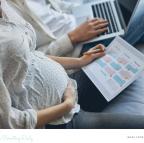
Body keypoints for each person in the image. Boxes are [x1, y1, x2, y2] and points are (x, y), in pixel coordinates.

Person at [1, 0, 144, 129]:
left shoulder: (5, 7)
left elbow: (30, 56)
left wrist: (79, 62)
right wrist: (67, 105)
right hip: (61, 119)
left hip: (71, 83)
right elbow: (9, 123)